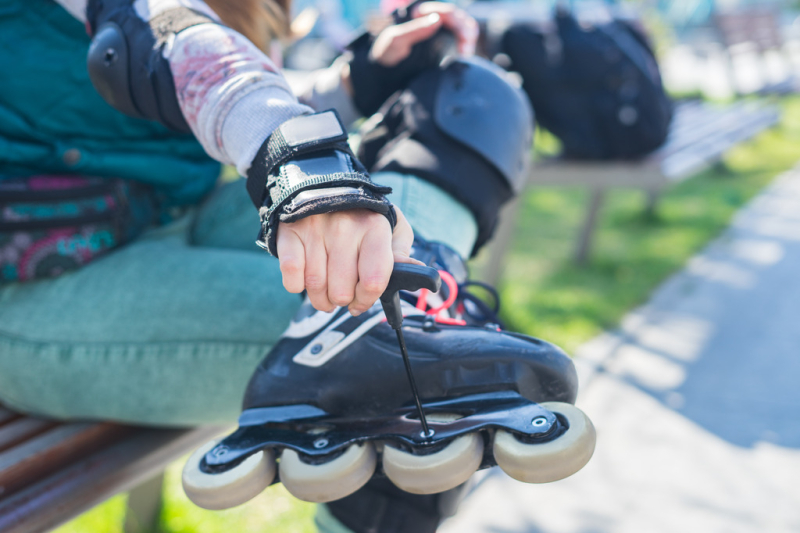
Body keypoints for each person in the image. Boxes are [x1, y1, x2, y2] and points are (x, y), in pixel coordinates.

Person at [0, 0, 537, 531]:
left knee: (473, 100)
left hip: (179, 216)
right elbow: (167, 34)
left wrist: (358, 82)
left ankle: (416, 303)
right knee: (417, 382)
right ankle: (388, 339)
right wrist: (300, 165)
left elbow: (208, 99)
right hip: (37, 284)